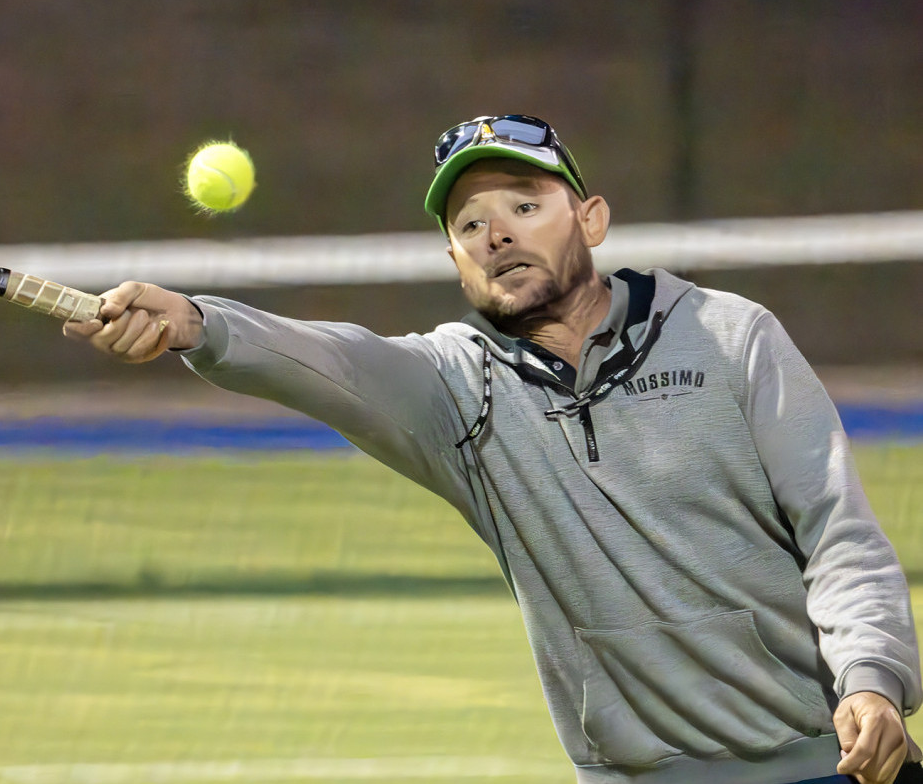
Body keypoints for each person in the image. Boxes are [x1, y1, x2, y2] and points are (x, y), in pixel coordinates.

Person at [63, 114, 922, 784]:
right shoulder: (456, 391)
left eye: (522, 205)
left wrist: (872, 676)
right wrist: (198, 324)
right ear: (454, 259)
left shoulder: (730, 335)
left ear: (588, 218)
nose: (496, 233)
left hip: (828, 759)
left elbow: (835, 534)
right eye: (469, 223)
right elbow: (330, 360)